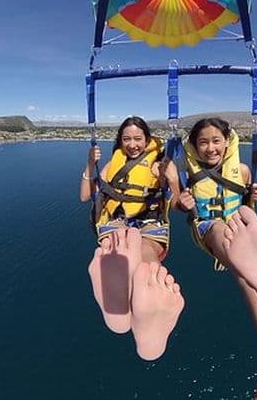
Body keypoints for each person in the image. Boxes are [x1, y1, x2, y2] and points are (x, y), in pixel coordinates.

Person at [178, 117, 257, 400]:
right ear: (194, 146)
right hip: (208, 228)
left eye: (216, 141)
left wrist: (256, 192)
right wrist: (181, 203)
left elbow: (246, 198)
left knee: (245, 270)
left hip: (238, 226)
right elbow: (171, 200)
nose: (210, 148)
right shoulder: (182, 171)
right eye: (203, 142)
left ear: (227, 142)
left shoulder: (241, 170)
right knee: (223, 233)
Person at [80, 116, 185, 361]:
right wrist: (89, 166)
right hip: (117, 220)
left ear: (147, 140)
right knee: (118, 241)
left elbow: (179, 204)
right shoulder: (110, 165)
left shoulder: (159, 164)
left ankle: (148, 297)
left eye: (138, 138)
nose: (133, 144)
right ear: (120, 141)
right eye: (127, 139)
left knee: (145, 251)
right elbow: (86, 196)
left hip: (150, 221)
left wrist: (171, 179)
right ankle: (130, 279)